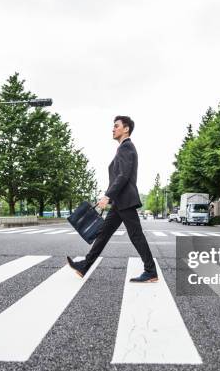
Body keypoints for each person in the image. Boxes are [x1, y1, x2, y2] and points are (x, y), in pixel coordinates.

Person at [66, 116, 158, 283]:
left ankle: (150, 271)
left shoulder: (126, 147)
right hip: (120, 202)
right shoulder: (124, 148)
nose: (113, 129)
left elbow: (123, 176)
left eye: (116, 126)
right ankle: (85, 265)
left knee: (136, 235)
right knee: (103, 234)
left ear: (126, 129)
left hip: (125, 200)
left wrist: (108, 196)